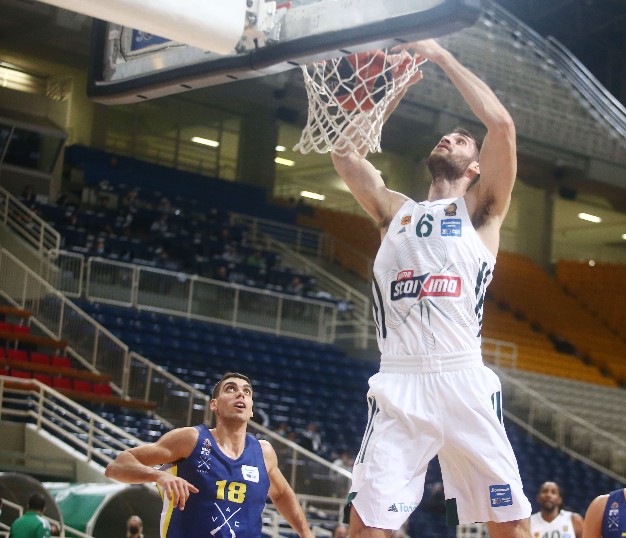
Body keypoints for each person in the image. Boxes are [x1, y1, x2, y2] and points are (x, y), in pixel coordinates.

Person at [330, 39, 531, 537]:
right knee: (366, 526)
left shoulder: (482, 210)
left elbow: (501, 126)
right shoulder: (393, 211)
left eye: (461, 140)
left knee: (511, 522)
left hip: (463, 374)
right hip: (400, 379)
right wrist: (392, 86)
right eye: (445, 137)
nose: (450, 140)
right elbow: (344, 152)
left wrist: (439, 56)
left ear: (476, 166)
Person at [104, 372, 315, 538]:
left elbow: (281, 493)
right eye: (230, 389)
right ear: (214, 404)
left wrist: (306, 534)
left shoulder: (263, 452)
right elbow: (117, 466)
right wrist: (158, 475)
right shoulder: (191, 440)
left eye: (247, 392)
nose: (240, 394)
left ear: (251, 410)